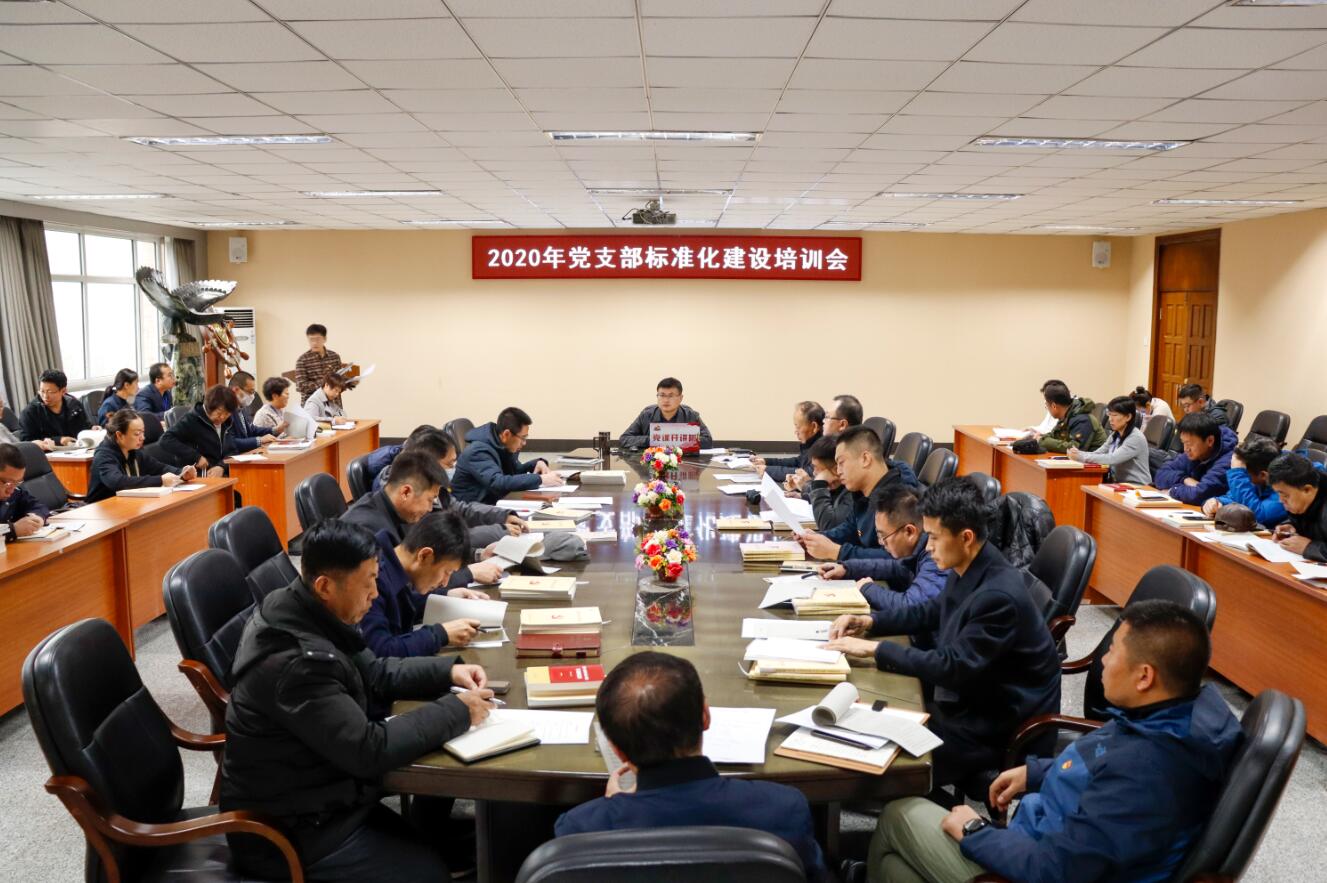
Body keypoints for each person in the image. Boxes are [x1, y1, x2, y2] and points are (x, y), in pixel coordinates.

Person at [868, 600, 1242, 883]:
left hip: (1039, 862)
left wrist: (974, 831)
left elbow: (1058, 868)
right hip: (1041, 833)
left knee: (900, 813)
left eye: (1112, 651)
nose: (1103, 660)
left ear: (1144, 676)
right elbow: (1100, 757)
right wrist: (1035, 773)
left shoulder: (1146, 771)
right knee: (894, 869)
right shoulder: (1164, 715)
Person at [219, 519, 493, 881]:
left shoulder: (312, 610)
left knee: (434, 850)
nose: (375, 594)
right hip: (288, 829)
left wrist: (447, 672)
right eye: (367, 583)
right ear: (325, 586)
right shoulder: (297, 664)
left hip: (321, 792)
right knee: (429, 874)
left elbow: (375, 671)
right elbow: (368, 749)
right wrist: (457, 710)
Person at [824, 477, 1060, 791]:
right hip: (969, 701)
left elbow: (952, 667)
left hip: (993, 727)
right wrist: (870, 622)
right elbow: (931, 611)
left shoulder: (997, 596)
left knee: (864, 755)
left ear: (966, 537)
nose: (928, 547)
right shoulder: (973, 562)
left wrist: (875, 650)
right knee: (865, 719)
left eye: (934, 537)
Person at [555, 652, 828, 880]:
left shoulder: (581, 830)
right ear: (705, 716)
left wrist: (613, 810)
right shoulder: (783, 809)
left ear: (616, 750)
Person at [373, 428, 515, 587]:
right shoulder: (380, 524)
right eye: (449, 464)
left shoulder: (416, 496)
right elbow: (408, 579)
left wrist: (478, 554)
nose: (430, 508)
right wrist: (467, 573)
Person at [361, 511, 493, 656]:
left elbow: (404, 602)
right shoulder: (373, 577)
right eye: (447, 572)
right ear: (425, 556)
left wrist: (446, 594)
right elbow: (380, 650)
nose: (445, 582)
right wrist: (441, 634)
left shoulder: (393, 561)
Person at [819, 485, 947, 618]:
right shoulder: (916, 551)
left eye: (883, 536)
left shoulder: (935, 557)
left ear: (909, 532)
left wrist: (867, 588)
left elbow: (912, 606)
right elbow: (893, 567)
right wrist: (847, 569)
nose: (881, 542)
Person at [799, 425, 920, 562]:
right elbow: (850, 529)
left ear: (865, 459)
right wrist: (817, 538)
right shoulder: (862, 492)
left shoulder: (899, 498)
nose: (838, 471)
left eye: (841, 463)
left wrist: (837, 552)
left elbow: (896, 557)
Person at [452, 406, 561, 504]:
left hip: (490, 503)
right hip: (472, 510)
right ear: (506, 434)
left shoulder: (501, 444)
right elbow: (497, 482)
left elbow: (514, 471)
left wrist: (536, 464)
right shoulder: (478, 451)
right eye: (522, 438)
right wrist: (540, 479)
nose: (524, 443)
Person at [86, 409, 197, 503]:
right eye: (137, 434)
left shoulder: (133, 450)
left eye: (143, 432)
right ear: (119, 435)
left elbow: (159, 468)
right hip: (102, 509)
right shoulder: (104, 455)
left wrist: (181, 473)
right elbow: (117, 482)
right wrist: (160, 480)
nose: (143, 438)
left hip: (128, 504)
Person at [343, 450, 443, 545]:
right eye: (430, 500)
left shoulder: (399, 512)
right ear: (406, 492)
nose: (430, 508)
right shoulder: (369, 532)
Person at [1201, 435, 1288, 526]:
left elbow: (1258, 516)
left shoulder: (1285, 486)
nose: (1244, 479)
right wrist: (1215, 502)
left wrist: (1237, 473)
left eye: (1244, 474)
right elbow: (1233, 498)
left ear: (1263, 475)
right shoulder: (1258, 481)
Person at [1153, 412, 1237, 505]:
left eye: (1189, 444)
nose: (1185, 449)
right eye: (1183, 443)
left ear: (1210, 441)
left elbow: (1201, 494)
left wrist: (1172, 491)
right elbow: (1160, 475)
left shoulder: (1228, 459)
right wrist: (1184, 479)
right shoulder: (1193, 453)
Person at [157, 384, 238, 478]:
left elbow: (232, 451)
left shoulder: (227, 423)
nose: (222, 417)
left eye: (227, 414)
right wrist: (196, 457)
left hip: (222, 473)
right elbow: (165, 440)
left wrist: (222, 466)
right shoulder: (192, 420)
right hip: (200, 475)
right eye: (219, 413)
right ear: (209, 406)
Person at [1067, 395, 1150, 485]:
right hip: (1119, 483)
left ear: (1128, 417)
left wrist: (1081, 456)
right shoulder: (1115, 434)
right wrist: (1078, 453)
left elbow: (1112, 459)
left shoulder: (1135, 437)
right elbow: (1098, 453)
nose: (1110, 419)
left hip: (1137, 485)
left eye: (1114, 415)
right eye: (1109, 414)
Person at [618, 377, 714, 450]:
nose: (666, 400)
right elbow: (624, 439)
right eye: (662, 395)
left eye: (671, 396)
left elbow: (708, 441)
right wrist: (653, 440)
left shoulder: (690, 415)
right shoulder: (647, 415)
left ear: (680, 398)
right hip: (653, 463)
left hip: (684, 463)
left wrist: (673, 439)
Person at [1268, 453, 1327, 562]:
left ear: (1307, 490)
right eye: (1278, 494)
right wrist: (1291, 526)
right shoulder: (1304, 501)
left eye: (1285, 495)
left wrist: (1308, 547)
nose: (1280, 500)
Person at [754, 401, 823, 482]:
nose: (795, 431)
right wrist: (766, 461)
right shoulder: (812, 444)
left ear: (814, 426)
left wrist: (768, 470)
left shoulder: (824, 448)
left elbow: (808, 473)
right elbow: (798, 462)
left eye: (798, 427)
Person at [18, 369, 90, 446]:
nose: (45, 396)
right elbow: (27, 441)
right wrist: (58, 440)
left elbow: (84, 427)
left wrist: (91, 429)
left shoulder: (74, 405)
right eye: (42, 391)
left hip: (78, 448)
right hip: (48, 452)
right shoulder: (30, 412)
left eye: (50, 392)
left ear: (63, 391)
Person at [1031, 381, 1105, 454]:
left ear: (1054, 406)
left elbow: (1075, 449)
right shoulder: (1066, 416)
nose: (1047, 408)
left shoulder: (1083, 419)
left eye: (1046, 405)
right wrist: (1042, 438)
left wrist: (1043, 441)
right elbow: (1054, 435)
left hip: (1095, 460)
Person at [799, 434, 852, 531]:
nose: (814, 473)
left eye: (816, 467)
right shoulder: (836, 486)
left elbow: (828, 527)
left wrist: (819, 485)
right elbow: (808, 489)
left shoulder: (852, 493)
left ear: (836, 469)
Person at [0, 442, 49, 542]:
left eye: (17, 482)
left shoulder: (14, 491)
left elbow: (37, 506)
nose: (11, 490)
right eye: (7, 483)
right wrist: (12, 530)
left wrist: (36, 518)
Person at [226, 371, 278, 452]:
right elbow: (230, 442)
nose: (253, 396)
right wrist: (260, 440)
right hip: (233, 457)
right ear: (236, 390)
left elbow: (251, 430)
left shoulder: (241, 407)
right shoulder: (225, 410)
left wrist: (274, 430)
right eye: (250, 392)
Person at [294, 322, 345, 403]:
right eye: (311, 339)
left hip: (334, 403)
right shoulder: (302, 360)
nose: (314, 343)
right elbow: (301, 387)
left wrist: (349, 383)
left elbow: (339, 381)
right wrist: (326, 384)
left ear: (325, 339)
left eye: (318, 339)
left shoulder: (334, 357)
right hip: (312, 404)